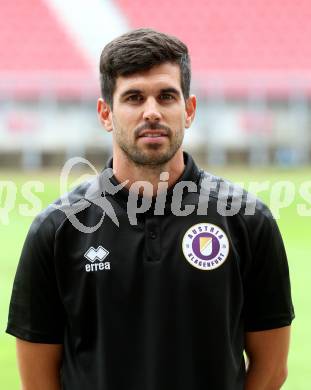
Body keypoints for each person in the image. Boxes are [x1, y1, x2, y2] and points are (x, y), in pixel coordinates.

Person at [7, 28, 294, 390]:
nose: (152, 112)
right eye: (134, 97)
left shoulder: (248, 220)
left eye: (167, 96)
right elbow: (37, 380)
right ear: (106, 114)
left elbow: (272, 368)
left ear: (188, 110)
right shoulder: (56, 229)